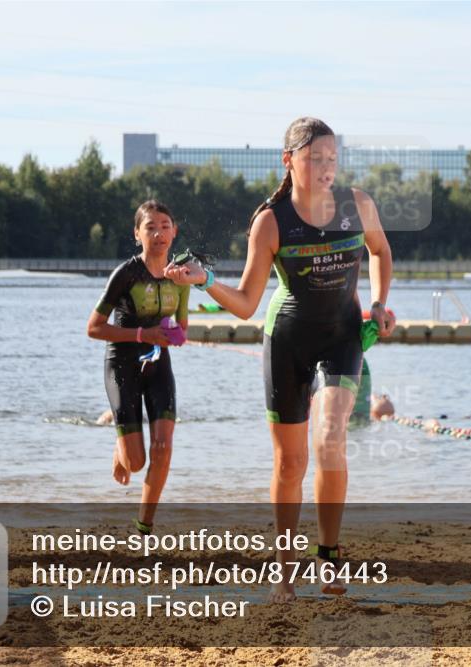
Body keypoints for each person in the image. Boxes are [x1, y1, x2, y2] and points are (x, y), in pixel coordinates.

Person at [165, 117, 395, 602]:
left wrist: (378, 303)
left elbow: (380, 252)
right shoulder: (271, 221)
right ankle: (285, 570)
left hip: (342, 336)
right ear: (288, 161)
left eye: (332, 158)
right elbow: (247, 303)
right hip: (287, 340)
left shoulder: (358, 205)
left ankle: (328, 556)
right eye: (314, 158)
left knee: (330, 439)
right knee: (291, 463)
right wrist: (205, 281)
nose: (326, 168)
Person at [86, 200, 189, 535]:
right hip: (122, 365)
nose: (158, 233)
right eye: (150, 227)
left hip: (159, 366)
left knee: (163, 447)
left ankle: (144, 525)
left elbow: (182, 327)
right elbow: (93, 328)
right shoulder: (126, 274)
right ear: (137, 234)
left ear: (174, 232)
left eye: (165, 226)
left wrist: (176, 335)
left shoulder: (181, 276)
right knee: (136, 462)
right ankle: (121, 448)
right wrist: (144, 334)